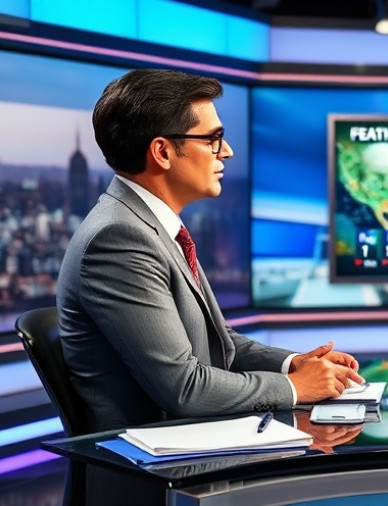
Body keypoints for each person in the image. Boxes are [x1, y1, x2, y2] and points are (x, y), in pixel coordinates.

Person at [57, 69, 364, 433]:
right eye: (213, 140)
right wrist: (296, 388)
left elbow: (220, 342)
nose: (227, 152)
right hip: (155, 473)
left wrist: (294, 364)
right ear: (162, 152)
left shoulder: (152, 225)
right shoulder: (119, 238)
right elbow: (184, 388)